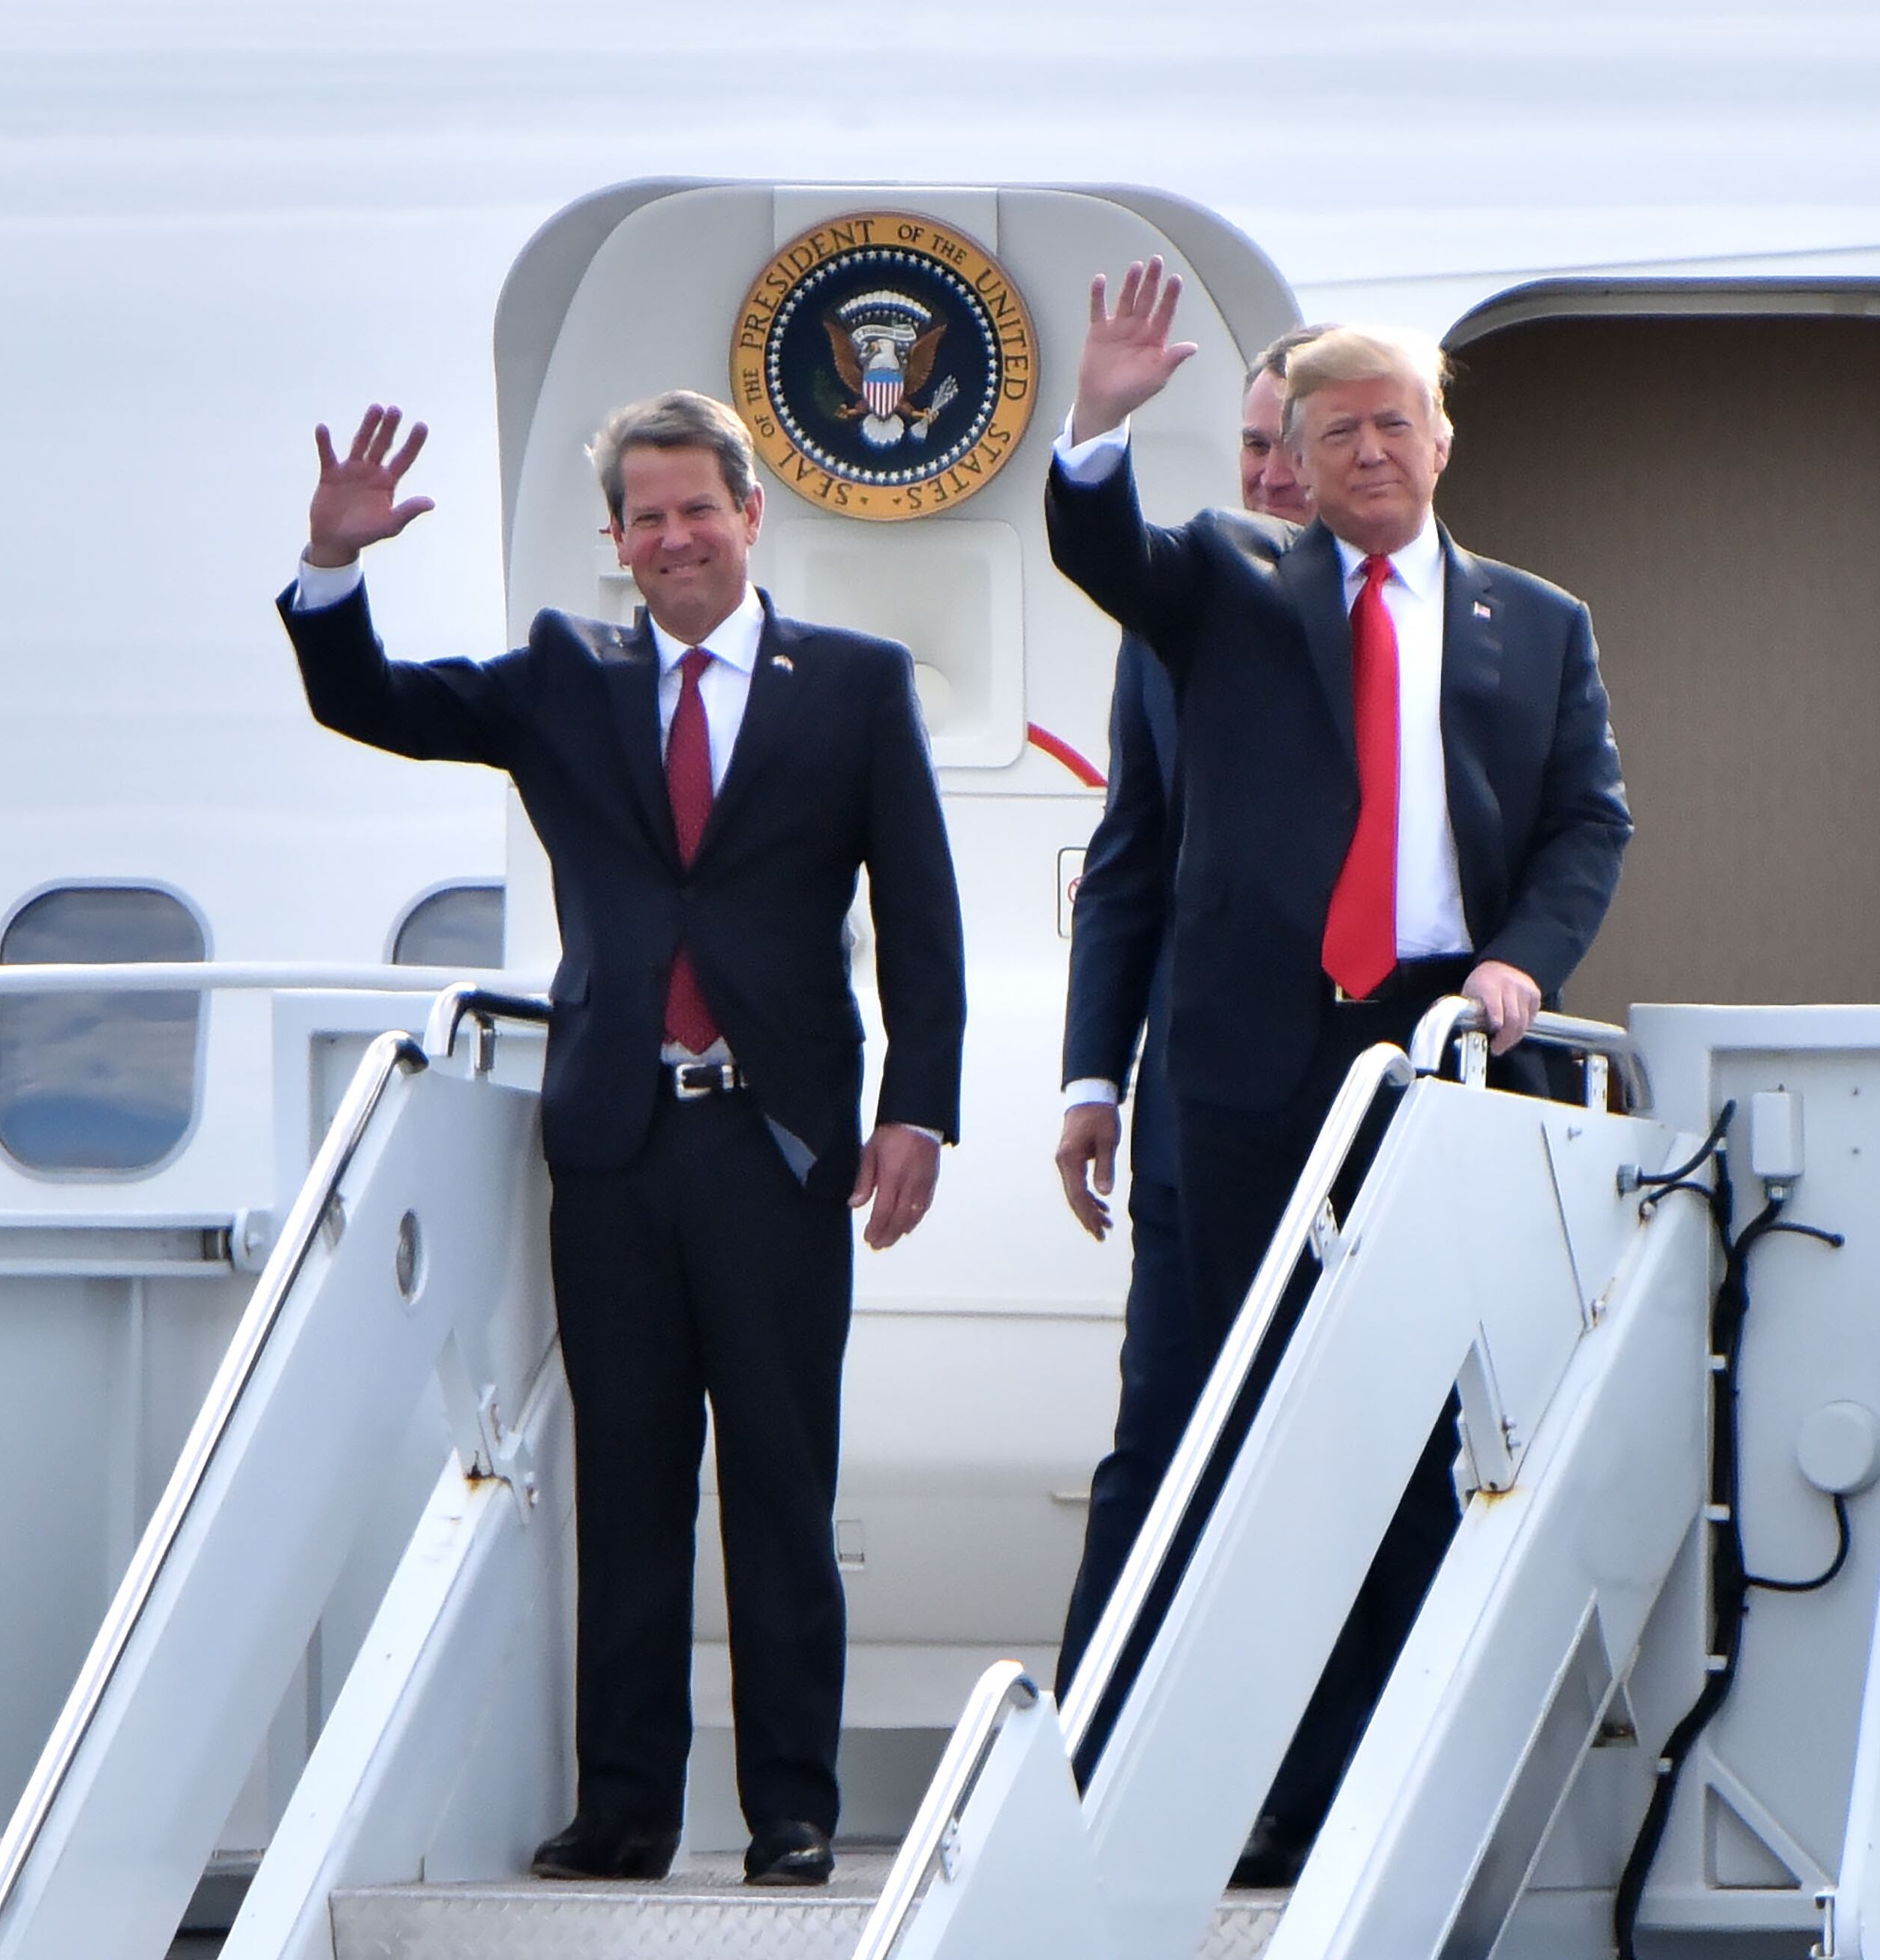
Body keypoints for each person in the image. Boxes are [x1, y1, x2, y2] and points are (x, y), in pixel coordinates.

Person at [278, 394, 966, 1889]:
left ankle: (792, 1812)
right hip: (614, 1138)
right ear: (617, 542)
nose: (672, 540)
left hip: (778, 1143)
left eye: (695, 511)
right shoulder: (560, 675)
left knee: (783, 1484)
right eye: (644, 519)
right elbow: (372, 702)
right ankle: (628, 1811)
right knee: (630, 1488)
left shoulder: (849, 683)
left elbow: (920, 912)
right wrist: (332, 565)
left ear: (749, 515)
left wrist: (919, 1105)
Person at [1042, 263, 1631, 1883]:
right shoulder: (1230, 588)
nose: (1368, 451)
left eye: (1396, 422)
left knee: (1403, 1436)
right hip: (1240, 1069)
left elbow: (1593, 820)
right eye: (1334, 431)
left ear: (1442, 439)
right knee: (1185, 1422)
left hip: (1439, 1059)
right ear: (1291, 459)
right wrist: (1095, 419)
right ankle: (1104, 1772)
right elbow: (1105, 562)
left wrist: (1526, 957)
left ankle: (1340, 1791)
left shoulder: (1542, 622)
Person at [1052, 324, 1327, 1700]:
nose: (1274, 475)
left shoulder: (1459, 626)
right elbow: (1128, 858)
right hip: (1188, 1115)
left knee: (1339, 1442)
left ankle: (1308, 1781)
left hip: (1358, 1105)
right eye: (1257, 444)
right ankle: (1085, 1755)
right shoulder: (1180, 608)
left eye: (1302, 443)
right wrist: (1090, 1077)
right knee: (1159, 1423)